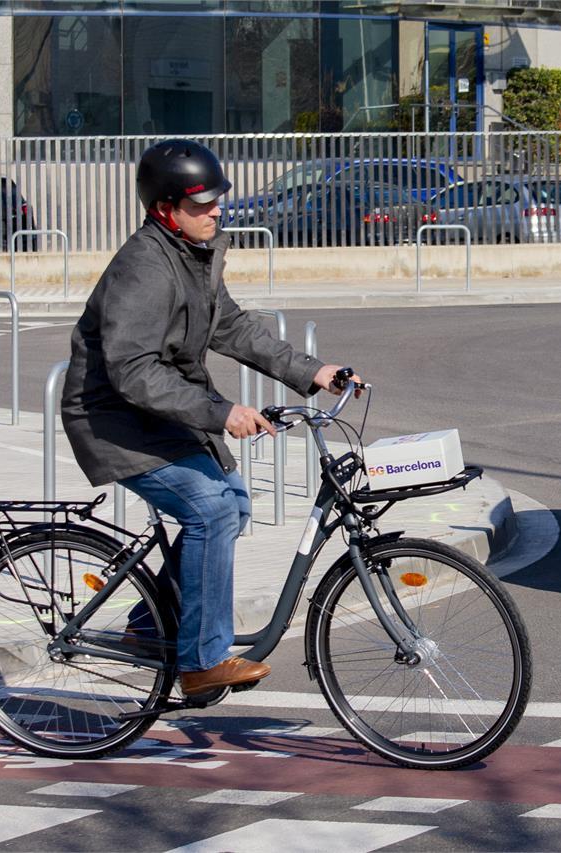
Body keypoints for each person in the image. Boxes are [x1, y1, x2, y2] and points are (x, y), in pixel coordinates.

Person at [61, 139, 358, 697]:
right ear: (164, 209)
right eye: (201, 204)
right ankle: (200, 663)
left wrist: (316, 373)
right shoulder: (145, 267)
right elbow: (131, 370)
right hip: (112, 418)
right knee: (211, 510)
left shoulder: (195, 256)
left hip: (160, 410)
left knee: (234, 502)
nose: (216, 211)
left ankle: (151, 627)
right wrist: (221, 413)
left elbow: (234, 328)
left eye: (218, 200)